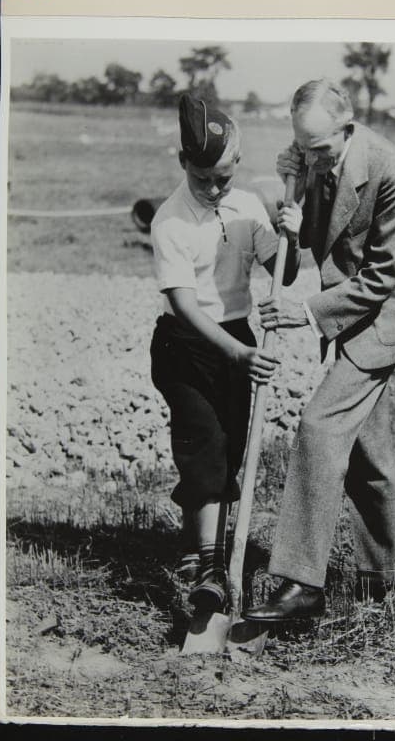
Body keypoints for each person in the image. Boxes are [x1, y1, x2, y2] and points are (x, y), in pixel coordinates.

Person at [243, 79, 395, 622]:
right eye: (302, 145)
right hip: (349, 314)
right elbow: (323, 247)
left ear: (347, 127)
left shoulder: (390, 170)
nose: (310, 156)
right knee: (367, 453)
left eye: (319, 147)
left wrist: (307, 313)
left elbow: (381, 276)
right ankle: (389, 578)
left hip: (383, 318)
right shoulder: (311, 162)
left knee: (319, 427)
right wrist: (293, 218)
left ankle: (303, 584)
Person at [150, 94, 302, 612]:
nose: (214, 188)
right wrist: (238, 354)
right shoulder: (169, 221)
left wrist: (291, 237)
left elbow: (278, 268)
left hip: (238, 333)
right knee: (205, 444)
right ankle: (211, 567)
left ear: (237, 165)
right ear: (183, 164)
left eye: (223, 177)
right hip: (187, 345)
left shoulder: (248, 206)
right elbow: (184, 305)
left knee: (229, 444)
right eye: (202, 179)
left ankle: (197, 551)